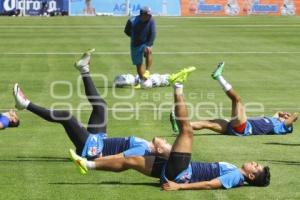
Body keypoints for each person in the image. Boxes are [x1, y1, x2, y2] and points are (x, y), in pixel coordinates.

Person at [70, 67, 270, 190]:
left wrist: (179, 188)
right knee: (130, 161)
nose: (254, 163)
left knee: (186, 130)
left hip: (182, 173)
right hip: (175, 171)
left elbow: (210, 184)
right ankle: (87, 164)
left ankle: (178, 85)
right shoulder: (235, 172)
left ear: (251, 176)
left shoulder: (236, 177)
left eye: (256, 166)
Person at [13, 49, 171, 160]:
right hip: (100, 139)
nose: (165, 140)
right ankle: (84, 69)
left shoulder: (144, 150)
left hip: (93, 148)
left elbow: (121, 158)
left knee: (67, 117)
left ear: (159, 149)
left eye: (166, 143)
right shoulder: (146, 147)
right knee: (101, 106)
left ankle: (25, 104)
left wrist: (96, 161)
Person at [170, 62, 298, 136]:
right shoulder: (273, 121)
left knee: (237, 99)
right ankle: (180, 125)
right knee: (207, 123)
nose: (285, 117)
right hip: (235, 127)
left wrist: (290, 117)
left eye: (286, 119)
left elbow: (295, 116)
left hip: (242, 127)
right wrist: (281, 113)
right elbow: (277, 114)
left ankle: (218, 77)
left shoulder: (281, 127)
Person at [124, 6, 156, 88]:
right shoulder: (132, 21)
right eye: (148, 14)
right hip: (135, 44)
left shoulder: (151, 20)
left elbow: (153, 34)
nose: (150, 16)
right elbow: (126, 31)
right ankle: (143, 81)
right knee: (138, 64)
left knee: (148, 51)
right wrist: (134, 36)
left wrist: (149, 45)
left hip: (145, 42)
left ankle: (147, 71)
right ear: (142, 14)